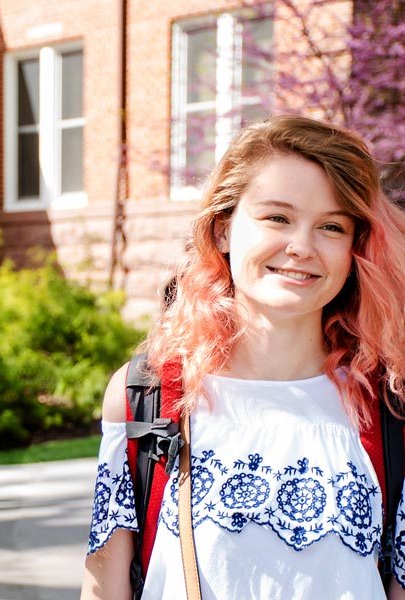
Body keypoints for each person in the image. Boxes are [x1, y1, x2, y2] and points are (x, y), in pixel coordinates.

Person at [81, 115, 405, 599]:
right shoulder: (147, 391)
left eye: (331, 226)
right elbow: (104, 590)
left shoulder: (391, 405)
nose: (301, 247)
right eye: (277, 217)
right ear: (223, 230)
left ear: (354, 247)